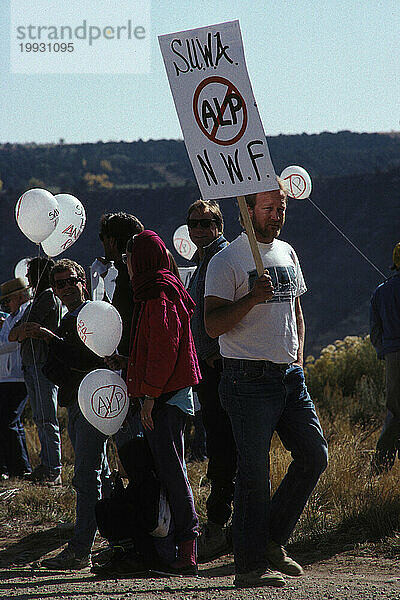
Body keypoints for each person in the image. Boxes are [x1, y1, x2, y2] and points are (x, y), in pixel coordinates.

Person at [204, 181, 328, 589]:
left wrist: (300, 360)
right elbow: (212, 325)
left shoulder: (287, 252)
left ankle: (272, 540)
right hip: (246, 378)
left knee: (314, 455)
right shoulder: (227, 261)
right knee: (254, 472)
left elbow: (297, 312)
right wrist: (252, 299)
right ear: (247, 210)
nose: (277, 215)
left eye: (281, 208)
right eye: (268, 208)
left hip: (289, 377)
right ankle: (249, 566)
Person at [108, 230, 201, 575]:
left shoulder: (158, 293)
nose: (127, 267)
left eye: (130, 260)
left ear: (141, 260)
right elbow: (153, 347)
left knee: (173, 473)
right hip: (165, 394)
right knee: (169, 470)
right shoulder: (159, 289)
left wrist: (148, 396)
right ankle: (174, 549)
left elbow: (164, 350)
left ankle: (187, 551)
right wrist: (129, 361)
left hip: (163, 398)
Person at [21, 259, 110, 569]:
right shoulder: (69, 316)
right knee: (102, 475)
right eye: (60, 284)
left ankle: (81, 548)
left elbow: (83, 355)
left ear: (83, 281)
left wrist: (47, 336)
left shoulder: (91, 315)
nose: (67, 287)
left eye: (71, 281)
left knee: (87, 476)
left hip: (91, 402)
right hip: (79, 401)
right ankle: (119, 538)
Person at [186, 199, 236, 560]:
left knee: (224, 445)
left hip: (221, 366)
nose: (200, 229)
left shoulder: (223, 257)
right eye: (194, 223)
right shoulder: (202, 263)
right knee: (220, 443)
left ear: (219, 225)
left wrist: (220, 348)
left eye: (206, 223)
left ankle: (220, 523)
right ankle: (224, 521)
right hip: (206, 366)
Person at [9, 257, 62, 485]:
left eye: (31, 274)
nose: (28, 279)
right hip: (33, 363)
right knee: (42, 417)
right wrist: (22, 331)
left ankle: (52, 467)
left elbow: (26, 328)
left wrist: (22, 331)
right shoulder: (38, 299)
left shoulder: (46, 297)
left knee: (45, 417)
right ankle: (48, 463)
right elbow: (17, 332)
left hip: (41, 363)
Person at [370, 242, 400, 473]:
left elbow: (375, 331)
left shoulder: (381, 291)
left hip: (392, 357)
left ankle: (380, 466)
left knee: (395, 411)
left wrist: (385, 351)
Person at [0, 278, 32, 479]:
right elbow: (6, 339)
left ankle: (19, 468)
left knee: (8, 420)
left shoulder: (24, 314)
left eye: (8, 300)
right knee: (12, 421)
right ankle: (15, 467)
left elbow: (9, 342)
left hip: (17, 377)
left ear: (19, 297)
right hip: (6, 377)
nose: (5, 305)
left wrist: (10, 336)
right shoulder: (12, 318)